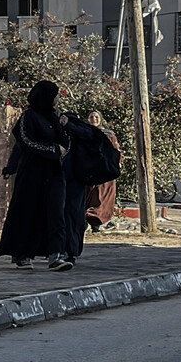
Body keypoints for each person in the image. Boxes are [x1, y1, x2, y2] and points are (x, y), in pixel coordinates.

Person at [0, 81, 73, 271]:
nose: (57, 99)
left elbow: (66, 142)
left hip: (54, 173)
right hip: (32, 174)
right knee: (28, 212)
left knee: (56, 213)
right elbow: (25, 142)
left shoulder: (54, 118)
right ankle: (22, 254)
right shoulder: (28, 117)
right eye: (55, 95)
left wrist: (63, 141)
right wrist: (53, 150)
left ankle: (55, 255)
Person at [59, 111, 101, 267]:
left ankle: (71, 251)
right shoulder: (60, 134)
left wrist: (69, 124)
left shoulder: (81, 132)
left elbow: (88, 135)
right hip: (59, 179)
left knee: (73, 215)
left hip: (76, 180)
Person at [84, 111, 120, 232]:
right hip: (89, 170)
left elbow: (116, 151)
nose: (94, 119)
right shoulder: (84, 133)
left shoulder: (109, 135)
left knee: (103, 197)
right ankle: (86, 220)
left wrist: (115, 165)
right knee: (89, 196)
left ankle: (97, 223)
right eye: (91, 117)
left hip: (106, 170)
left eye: (96, 117)